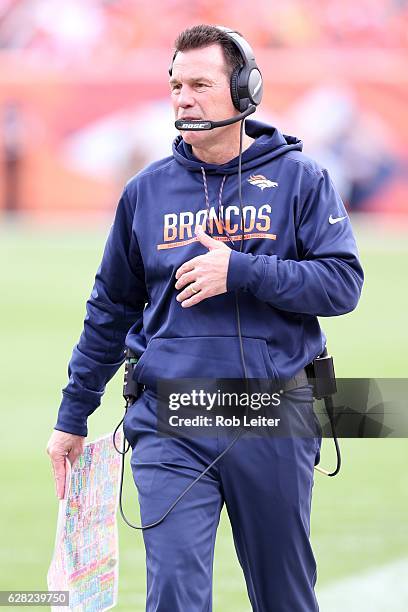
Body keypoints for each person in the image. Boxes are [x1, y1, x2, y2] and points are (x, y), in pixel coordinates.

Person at [47, 24, 364, 612]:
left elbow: (343, 284)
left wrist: (241, 271)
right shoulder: (145, 193)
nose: (183, 98)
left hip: (272, 414)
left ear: (244, 91)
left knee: (285, 597)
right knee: (173, 596)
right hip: (170, 422)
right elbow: (109, 310)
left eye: (199, 83)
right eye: (175, 85)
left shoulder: (301, 179)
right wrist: (72, 416)